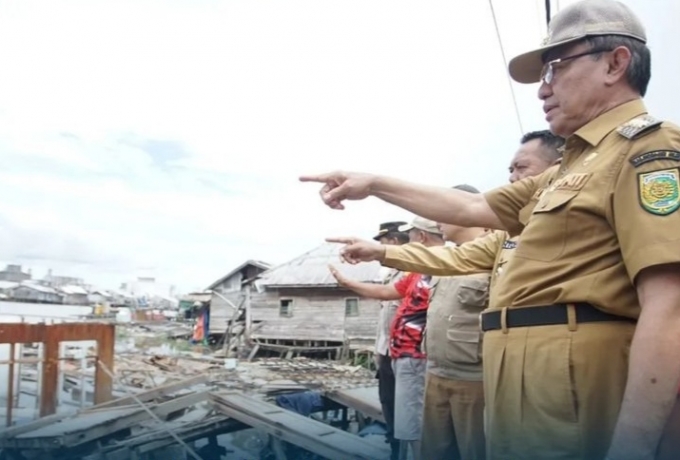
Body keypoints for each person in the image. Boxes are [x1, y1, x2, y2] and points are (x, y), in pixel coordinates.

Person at [300, 1, 680, 458]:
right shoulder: (571, 170)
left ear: (616, 63)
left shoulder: (651, 149)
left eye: (555, 68)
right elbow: (472, 204)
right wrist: (374, 183)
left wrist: (634, 449)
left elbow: (671, 305)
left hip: (575, 390)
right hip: (526, 388)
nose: (543, 89)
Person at [325, 132, 563, 459]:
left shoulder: (550, 229)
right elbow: (446, 260)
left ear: (558, 168)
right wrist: (379, 251)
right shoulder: (504, 240)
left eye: (521, 167)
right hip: (438, 371)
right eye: (509, 170)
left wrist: (374, 189)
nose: (511, 178)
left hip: (487, 377)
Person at [328, 217, 444, 460]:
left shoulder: (459, 258)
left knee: (421, 426)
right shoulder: (415, 271)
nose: (406, 242)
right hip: (401, 356)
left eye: (410, 235)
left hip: (423, 358)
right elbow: (386, 292)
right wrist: (347, 282)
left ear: (421, 237)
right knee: (404, 422)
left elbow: (506, 244)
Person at [371, 221, 409, 460]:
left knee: (404, 407)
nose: (378, 254)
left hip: (404, 355)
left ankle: (403, 450)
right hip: (386, 353)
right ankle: (394, 445)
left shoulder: (409, 273)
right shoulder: (390, 276)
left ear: (394, 243)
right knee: (388, 401)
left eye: (382, 245)